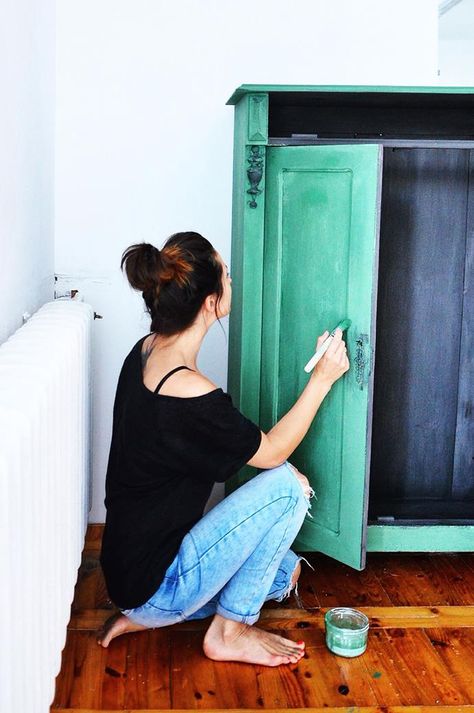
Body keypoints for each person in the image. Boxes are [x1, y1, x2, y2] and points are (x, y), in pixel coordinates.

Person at [97, 231, 349, 667]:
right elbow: (271, 454)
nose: (232, 281)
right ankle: (227, 633)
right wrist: (322, 378)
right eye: (227, 275)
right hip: (156, 580)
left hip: (127, 573)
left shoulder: (141, 353)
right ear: (211, 303)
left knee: (282, 571)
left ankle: (148, 615)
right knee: (289, 487)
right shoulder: (193, 396)